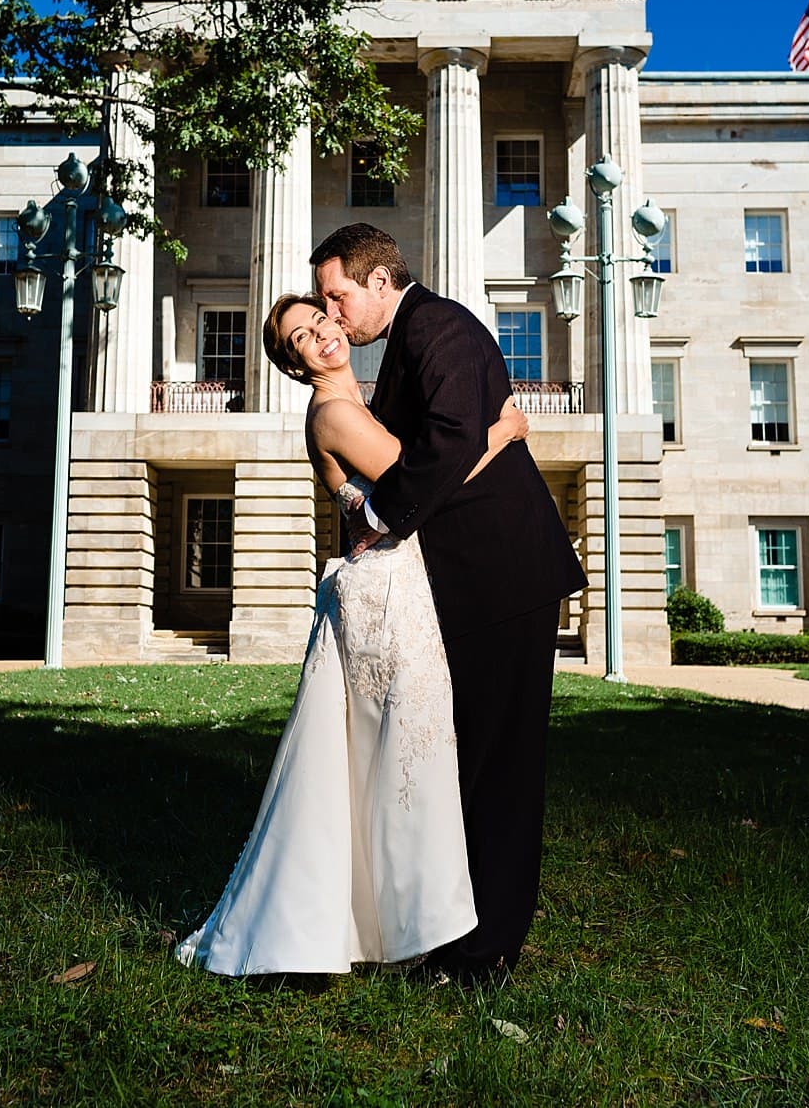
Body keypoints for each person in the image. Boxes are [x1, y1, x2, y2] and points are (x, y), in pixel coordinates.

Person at [174, 293, 531, 976]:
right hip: (386, 596)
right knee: (409, 760)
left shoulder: (354, 399)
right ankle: (413, 925)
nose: (321, 336)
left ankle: (398, 919)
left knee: (388, 759)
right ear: (293, 361)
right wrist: (503, 432)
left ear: (339, 323)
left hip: (390, 585)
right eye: (301, 338)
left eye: (321, 321)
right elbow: (430, 480)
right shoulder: (335, 413)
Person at [311, 222, 586, 985]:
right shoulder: (405, 343)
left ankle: (488, 951)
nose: (334, 316)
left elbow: (449, 441)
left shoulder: (439, 324)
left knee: (501, 766)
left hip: (505, 577)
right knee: (467, 762)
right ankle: (458, 931)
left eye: (338, 296)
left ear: (379, 281)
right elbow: (455, 442)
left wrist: (376, 518)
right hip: (467, 581)